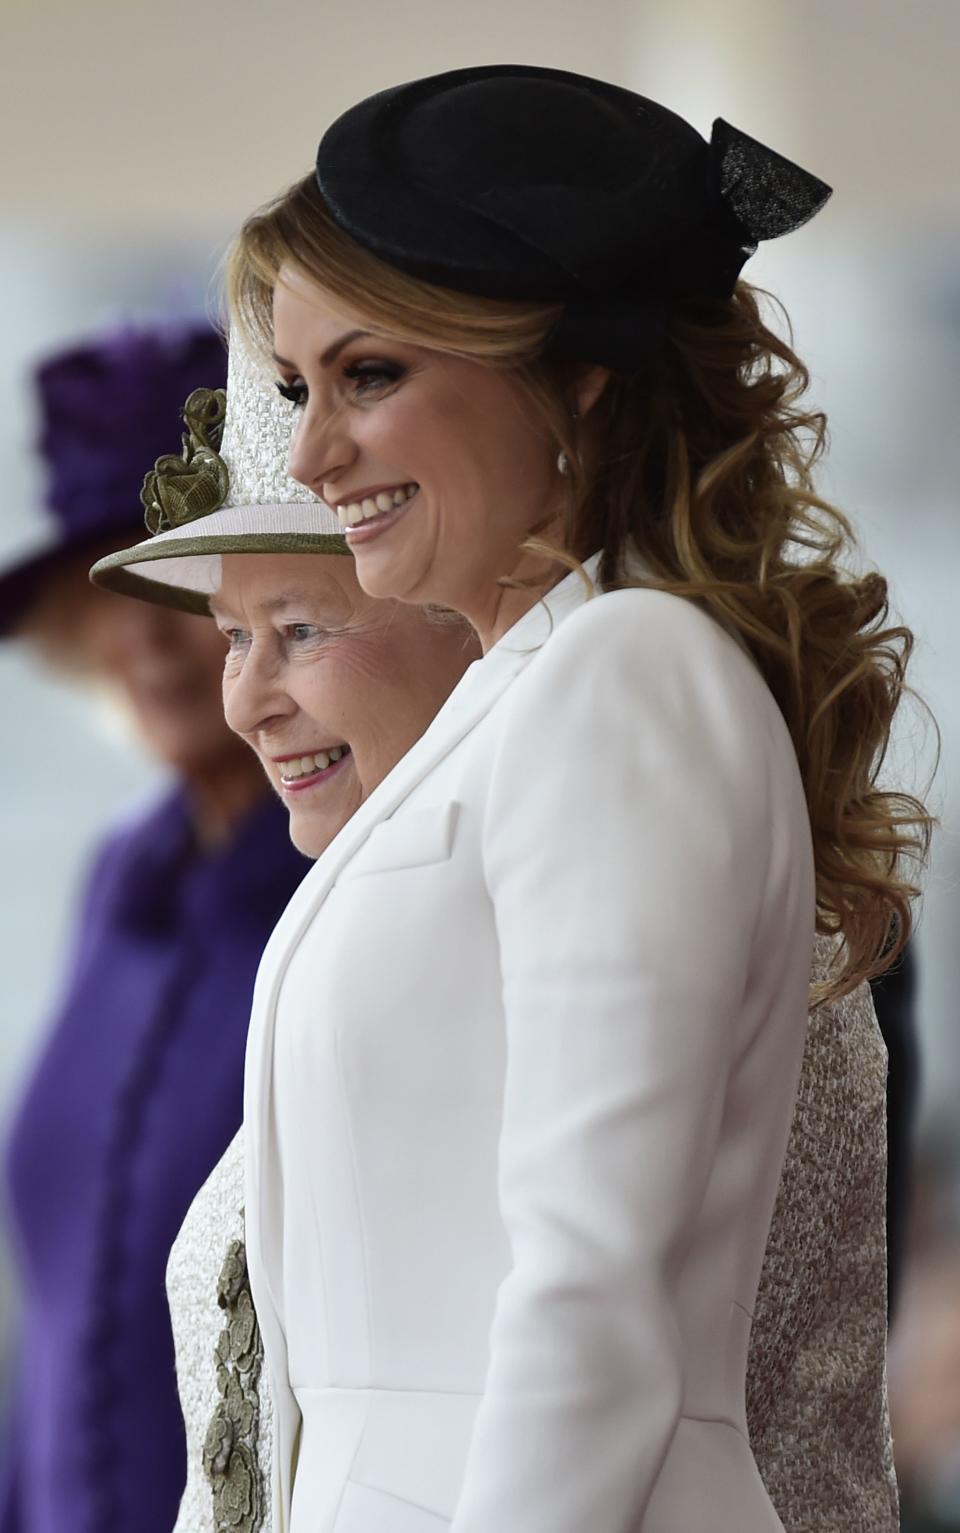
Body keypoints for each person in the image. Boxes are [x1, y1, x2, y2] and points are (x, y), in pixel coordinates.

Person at [104, 66, 932, 1533]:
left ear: (577, 379)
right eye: (301, 388)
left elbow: (590, 1299)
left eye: (370, 375)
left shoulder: (625, 672)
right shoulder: (525, 698)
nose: (310, 455)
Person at [90, 330, 480, 1533]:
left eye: (301, 629)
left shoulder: (561, 931)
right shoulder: (361, 925)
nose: (248, 700)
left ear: (476, 619)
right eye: (231, 639)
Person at [0, 323, 311, 1533]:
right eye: (109, 587)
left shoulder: (362, 877)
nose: (145, 633)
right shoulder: (118, 880)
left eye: (179, 578)